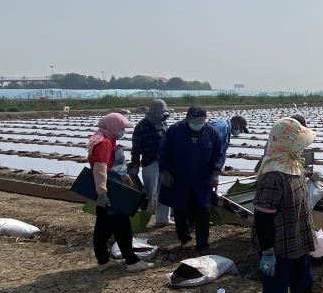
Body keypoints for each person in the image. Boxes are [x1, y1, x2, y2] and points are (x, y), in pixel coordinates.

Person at [252, 118, 323, 293]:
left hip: (299, 241)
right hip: (279, 247)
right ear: (285, 142)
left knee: (303, 287)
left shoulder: (293, 165)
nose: (302, 147)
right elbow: (263, 218)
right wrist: (267, 252)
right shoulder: (272, 176)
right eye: (298, 142)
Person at [87, 113, 154, 272]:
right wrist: (102, 193)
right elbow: (100, 169)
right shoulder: (104, 143)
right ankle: (132, 262)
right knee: (122, 228)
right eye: (122, 128)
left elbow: (112, 165)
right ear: (113, 126)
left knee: (103, 228)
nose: (123, 131)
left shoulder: (103, 138)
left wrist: (124, 175)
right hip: (111, 192)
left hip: (110, 188)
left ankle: (103, 261)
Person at [158, 105, 222, 255]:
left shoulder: (211, 133)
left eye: (199, 121)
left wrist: (215, 172)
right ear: (187, 119)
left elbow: (218, 155)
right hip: (179, 177)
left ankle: (202, 244)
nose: (196, 124)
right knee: (180, 209)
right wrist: (165, 172)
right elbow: (164, 153)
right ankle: (184, 237)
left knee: (202, 211)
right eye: (193, 121)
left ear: (205, 119)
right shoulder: (175, 131)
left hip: (202, 179)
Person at [130, 99, 172, 227]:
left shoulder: (163, 123)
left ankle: (163, 219)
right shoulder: (142, 126)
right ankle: (144, 220)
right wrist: (135, 164)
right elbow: (136, 147)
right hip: (150, 162)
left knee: (165, 189)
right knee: (150, 192)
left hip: (164, 162)